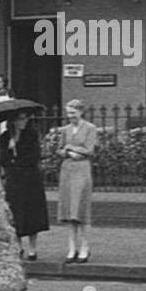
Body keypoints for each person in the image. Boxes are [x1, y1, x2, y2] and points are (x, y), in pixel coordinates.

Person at [0, 110, 49, 260]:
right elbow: (3, 160)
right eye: (20, 119)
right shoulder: (5, 137)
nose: (24, 121)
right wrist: (9, 148)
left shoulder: (31, 135)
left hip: (30, 178)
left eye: (25, 118)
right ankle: (19, 246)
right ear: (13, 121)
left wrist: (17, 151)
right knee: (16, 212)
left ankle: (33, 248)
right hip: (14, 179)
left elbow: (34, 156)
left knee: (32, 212)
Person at [57, 99, 98, 263]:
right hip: (67, 169)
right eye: (68, 113)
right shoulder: (65, 130)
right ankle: (71, 247)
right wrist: (66, 152)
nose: (70, 116)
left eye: (73, 113)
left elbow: (89, 150)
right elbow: (59, 149)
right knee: (69, 211)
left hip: (82, 169)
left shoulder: (90, 128)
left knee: (81, 209)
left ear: (81, 112)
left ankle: (85, 247)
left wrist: (70, 148)